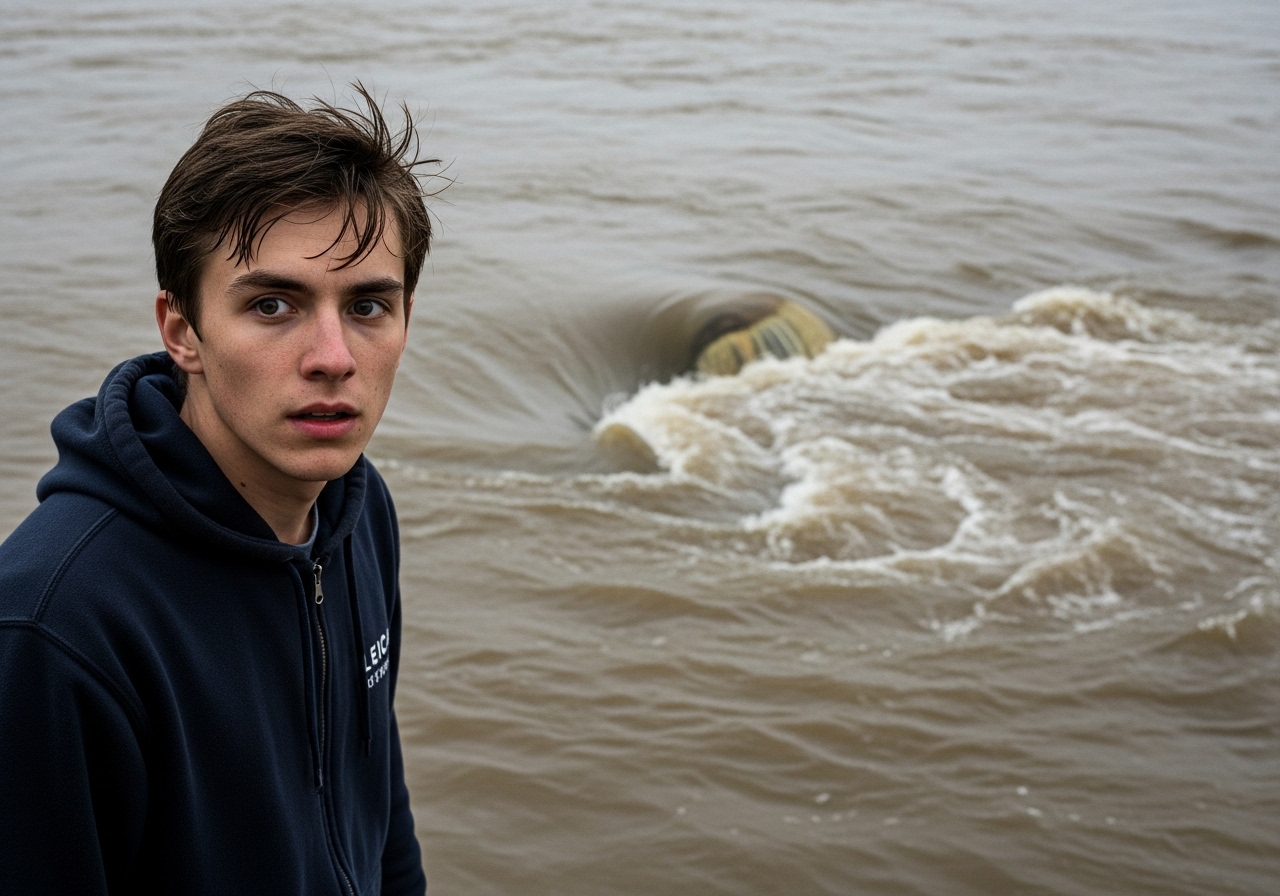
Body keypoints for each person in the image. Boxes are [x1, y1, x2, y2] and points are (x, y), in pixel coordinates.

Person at [0, 85, 434, 894]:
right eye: (272, 305)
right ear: (181, 331)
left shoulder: (356, 508)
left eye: (369, 305)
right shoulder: (52, 626)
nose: (333, 357)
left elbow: (379, 805)